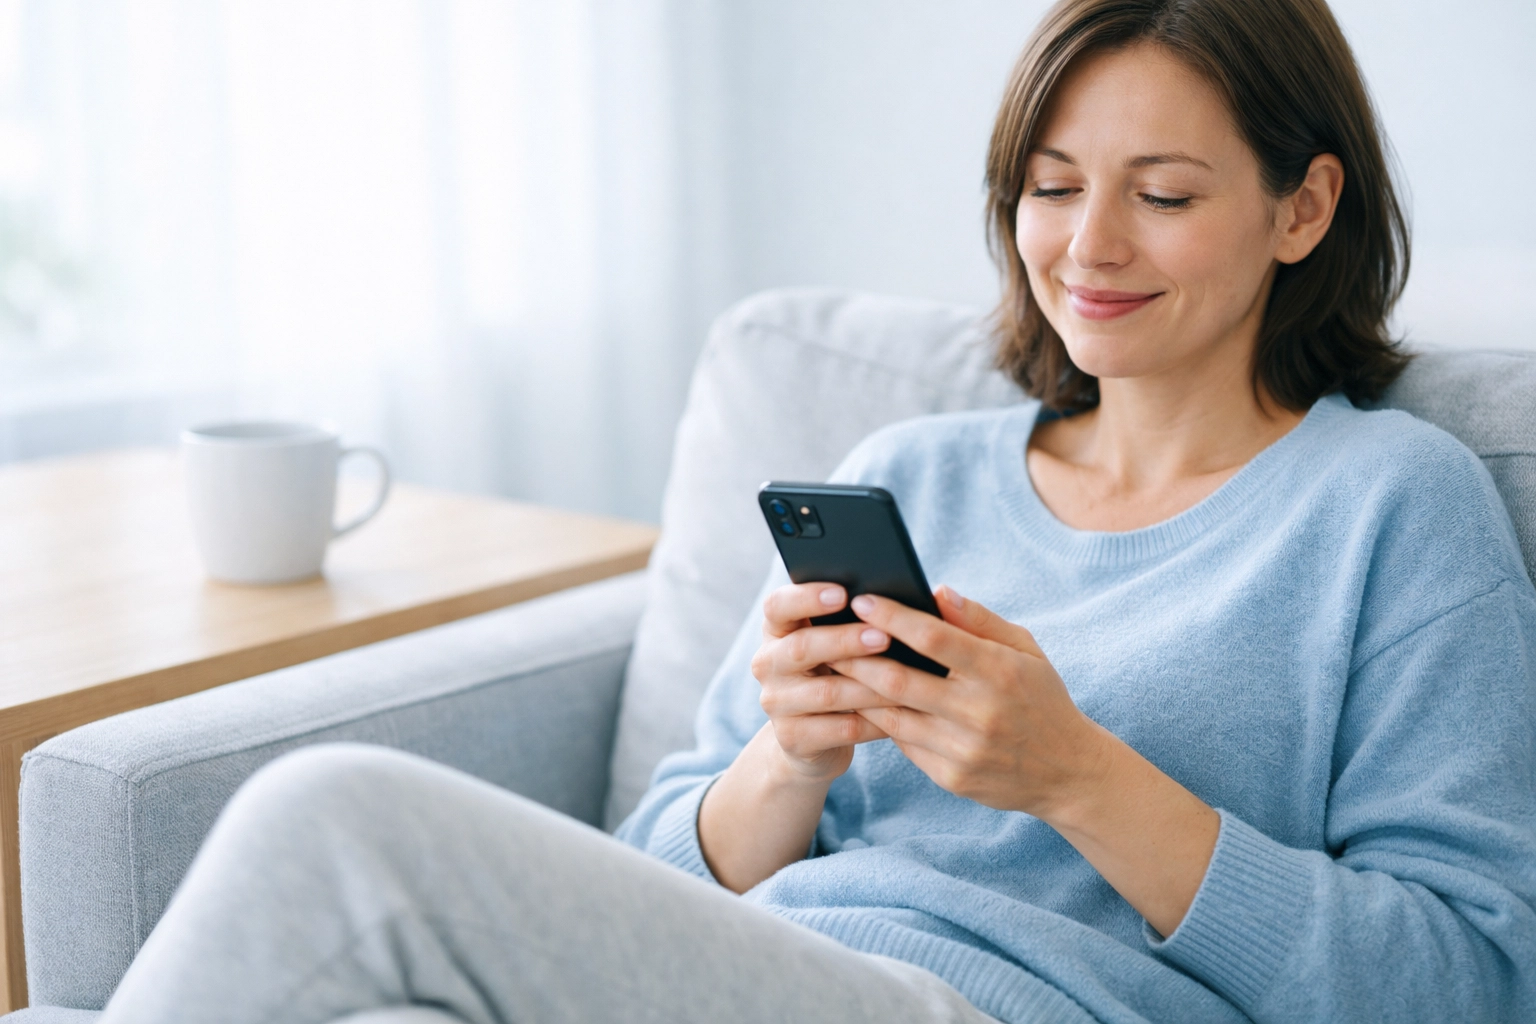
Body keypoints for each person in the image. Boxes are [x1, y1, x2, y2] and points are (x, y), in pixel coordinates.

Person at [99, 1, 1536, 1022]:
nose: (1087, 246)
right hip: (764, 974)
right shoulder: (915, 471)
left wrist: (1078, 779)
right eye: (1050, 188)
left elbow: (1468, 981)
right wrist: (790, 757)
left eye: (1161, 195)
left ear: (1302, 210)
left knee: (334, 814)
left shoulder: (1391, 507)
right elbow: (652, 874)